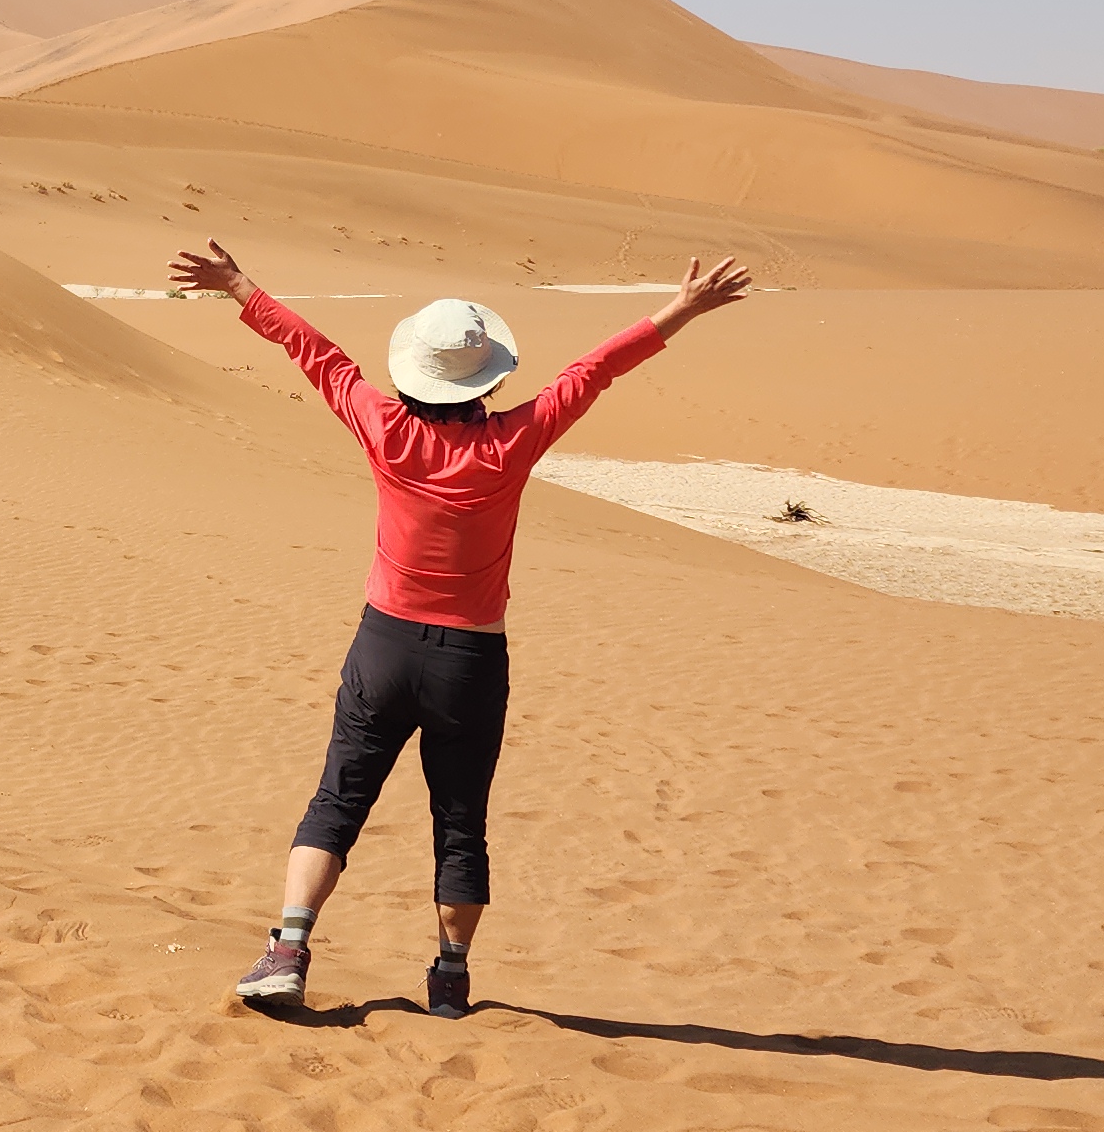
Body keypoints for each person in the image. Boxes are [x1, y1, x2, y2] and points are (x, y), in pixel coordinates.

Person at [165, 240, 756, 1018]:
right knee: (460, 823)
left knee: (337, 802)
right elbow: (591, 373)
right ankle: (449, 978)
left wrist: (241, 286)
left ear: (413, 374)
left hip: (383, 648)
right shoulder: (511, 443)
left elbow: (321, 358)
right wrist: (680, 309)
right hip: (470, 661)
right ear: (487, 380)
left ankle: (288, 949)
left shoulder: (385, 429)